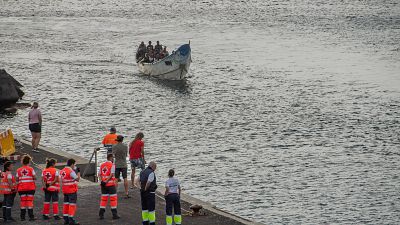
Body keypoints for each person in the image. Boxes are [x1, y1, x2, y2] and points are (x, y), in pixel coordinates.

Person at [98, 154, 120, 220]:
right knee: (113, 200)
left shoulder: (102, 165)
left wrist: (102, 181)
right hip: (110, 185)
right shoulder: (112, 165)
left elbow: (99, 174)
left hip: (103, 186)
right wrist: (106, 181)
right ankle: (114, 215)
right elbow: (112, 174)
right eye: (113, 158)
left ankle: (101, 214)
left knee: (103, 200)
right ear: (110, 158)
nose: (113, 159)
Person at [16, 155, 36, 221]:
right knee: (30, 202)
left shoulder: (18, 170)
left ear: (22, 161)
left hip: (21, 188)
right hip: (30, 188)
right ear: (29, 161)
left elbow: (17, 179)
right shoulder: (31, 169)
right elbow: (35, 177)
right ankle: (31, 217)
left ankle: (22, 217)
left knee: (23, 202)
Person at [60, 159, 80, 225]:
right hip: (71, 190)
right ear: (72, 164)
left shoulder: (62, 170)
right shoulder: (71, 171)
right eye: (74, 164)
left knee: (66, 204)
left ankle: (66, 219)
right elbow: (77, 179)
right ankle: (71, 219)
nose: (74, 166)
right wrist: (78, 172)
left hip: (65, 190)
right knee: (72, 205)